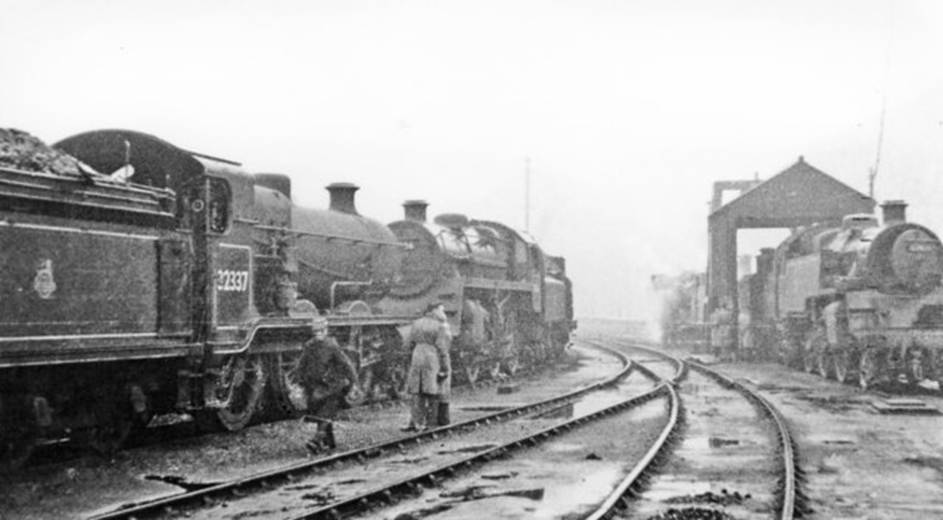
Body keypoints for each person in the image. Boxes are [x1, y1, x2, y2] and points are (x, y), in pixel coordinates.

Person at [299, 325, 361, 452]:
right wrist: (301, 381)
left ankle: (316, 440)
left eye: (321, 331)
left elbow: (346, 364)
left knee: (326, 411)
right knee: (320, 412)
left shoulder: (332, 346)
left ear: (326, 331)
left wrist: (355, 383)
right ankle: (330, 442)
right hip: (316, 385)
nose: (319, 334)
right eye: (316, 331)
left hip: (333, 384)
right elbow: (302, 364)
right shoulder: (309, 346)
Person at [403, 302, 452, 431]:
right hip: (431, 357)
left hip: (417, 355)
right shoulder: (439, 326)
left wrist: (411, 357)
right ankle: (430, 423)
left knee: (416, 391)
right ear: (434, 310)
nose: (442, 312)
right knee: (432, 391)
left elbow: (408, 344)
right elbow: (442, 349)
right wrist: (445, 367)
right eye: (440, 309)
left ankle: (415, 423)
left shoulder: (416, 323)